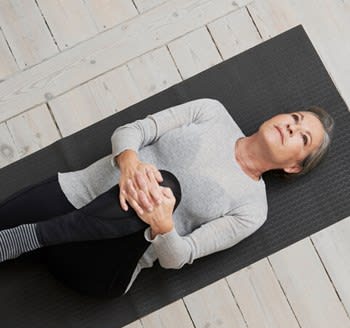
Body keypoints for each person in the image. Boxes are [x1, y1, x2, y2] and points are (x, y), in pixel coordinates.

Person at [0, 98, 334, 299]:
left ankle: (39, 235)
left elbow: (179, 257)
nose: (291, 127)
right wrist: (130, 165)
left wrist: (162, 224)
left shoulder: (252, 209)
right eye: (294, 118)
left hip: (101, 263)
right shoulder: (211, 112)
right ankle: (39, 237)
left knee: (167, 187)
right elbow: (130, 132)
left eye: (301, 137)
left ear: (293, 166)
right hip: (74, 197)